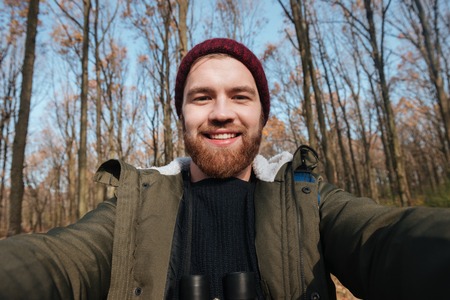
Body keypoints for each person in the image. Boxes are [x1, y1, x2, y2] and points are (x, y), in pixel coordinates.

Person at [1, 38, 450, 300]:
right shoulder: (134, 207)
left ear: (262, 115)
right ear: (182, 115)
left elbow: (384, 238)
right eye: (201, 97)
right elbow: (59, 261)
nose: (221, 113)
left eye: (240, 96)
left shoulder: (305, 200)